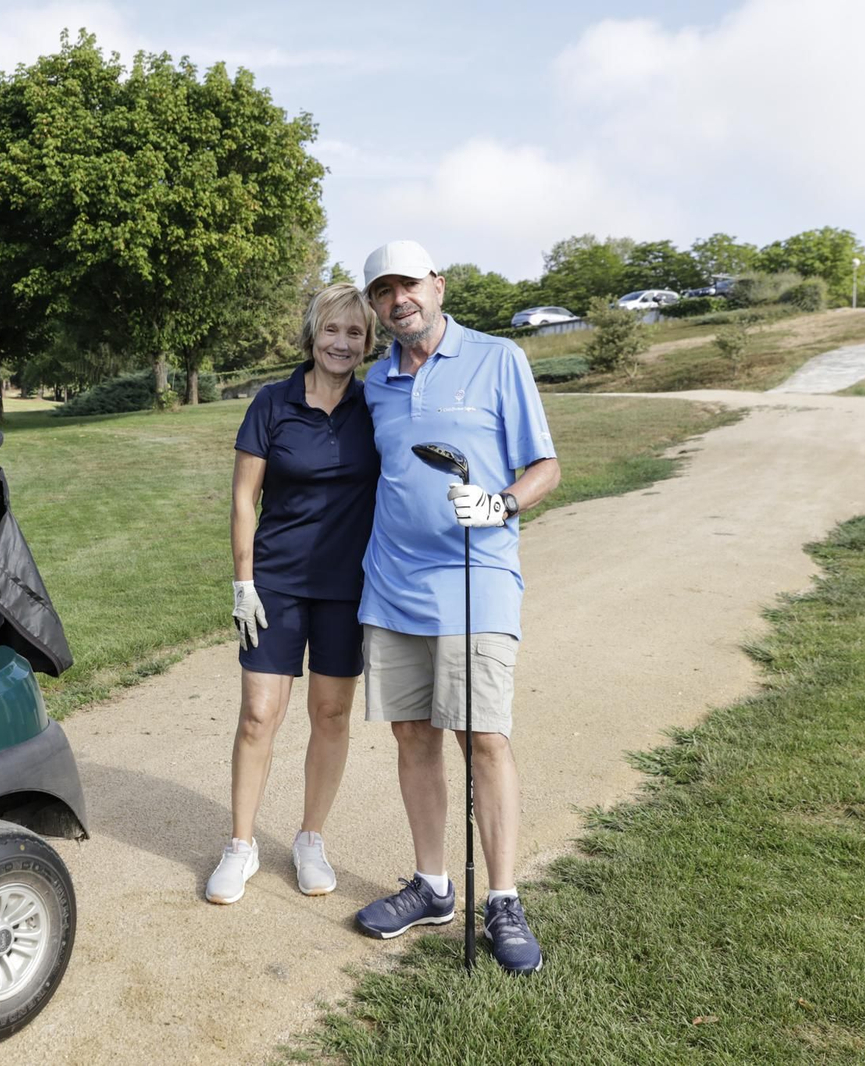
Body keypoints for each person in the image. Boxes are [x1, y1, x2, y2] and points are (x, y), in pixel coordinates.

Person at [351, 240, 561, 973]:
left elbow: (546, 466)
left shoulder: (498, 358)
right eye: (382, 291)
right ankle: (434, 884)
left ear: (437, 285)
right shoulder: (375, 383)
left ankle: (501, 898)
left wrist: (502, 501)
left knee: (483, 737)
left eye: (406, 284)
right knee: (412, 736)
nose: (395, 299)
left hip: (476, 574)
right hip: (392, 583)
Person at [205, 282, 379, 904]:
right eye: (331, 330)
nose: (341, 342)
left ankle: (310, 839)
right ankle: (241, 846)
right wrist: (243, 581)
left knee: (330, 714)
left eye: (354, 333)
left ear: (367, 342)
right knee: (259, 714)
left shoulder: (375, 403)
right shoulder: (272, 403)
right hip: (275, 582)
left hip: (347, 587)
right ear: (312, 334)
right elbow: (242, 499)